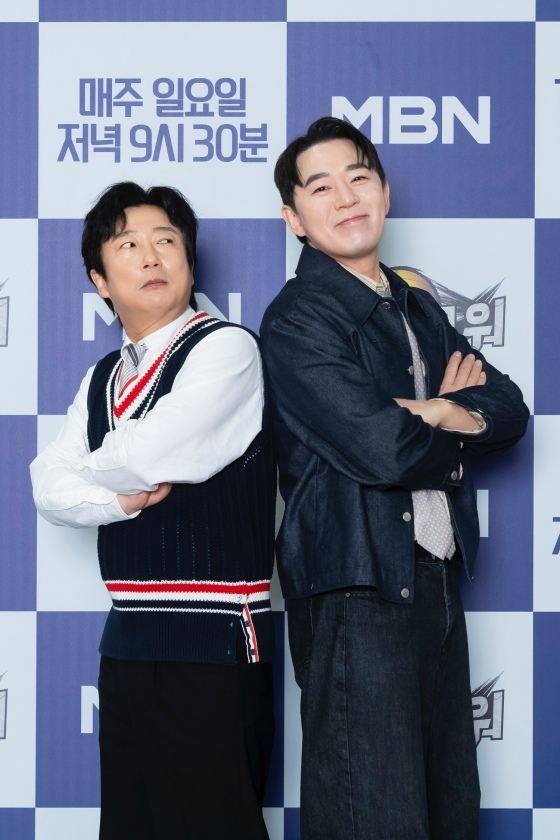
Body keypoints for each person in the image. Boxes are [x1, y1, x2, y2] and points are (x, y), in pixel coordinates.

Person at [260, 117, 529, 840]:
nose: (346, 197)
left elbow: (508, 408)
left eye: (359, 178)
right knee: (371, 815)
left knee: (448, 811)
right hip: (357, 589)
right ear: (294, 218)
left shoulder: (415, 304)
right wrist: (445, 428)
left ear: (384, 191)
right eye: (321, 187)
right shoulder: (297, 319)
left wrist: (434, 410)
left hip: (433, 581)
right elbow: (384, 449)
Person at [31, 182, 276, 840]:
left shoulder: (226, 349)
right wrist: (113, 498)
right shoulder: (100, 378)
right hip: (127, 643)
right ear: (100, 280)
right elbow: (45, 487)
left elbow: (152, 453)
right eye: (128, 245)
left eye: (167, 241)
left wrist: (89, 471)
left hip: (215, 641)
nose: (151, 256)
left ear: (190, 262)